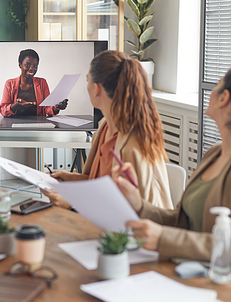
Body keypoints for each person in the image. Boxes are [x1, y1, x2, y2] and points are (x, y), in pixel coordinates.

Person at [113, 61, 231, 279]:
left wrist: (165, 240)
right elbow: (184, 222)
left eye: (217, 84)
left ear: (224, 97)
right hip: (197, 276)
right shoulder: (215, 153)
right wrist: (139, 205)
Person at [43, 50, 173, 210]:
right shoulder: (105, 127)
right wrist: (69, 178)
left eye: (87, 80)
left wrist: (70, 204)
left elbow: (124, 210)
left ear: (96, 88)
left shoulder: (132, 147)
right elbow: (100, 184)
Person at [0, 49, 68, 117]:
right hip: (15, 123)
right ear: (20, 65)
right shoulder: (9, 84)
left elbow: (46, 108)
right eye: (27, 65)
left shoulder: (42, 83)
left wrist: (56, 108)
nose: (32, 68)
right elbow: (3, 111)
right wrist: (16, 105)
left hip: (38, 124)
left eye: (35, 66)